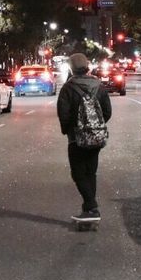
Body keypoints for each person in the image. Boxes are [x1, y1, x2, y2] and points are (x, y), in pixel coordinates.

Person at [56, 53, 113, 220]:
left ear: (72, 67)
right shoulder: (99, 86)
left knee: (78, 173)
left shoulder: (68, 87)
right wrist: (95, 125)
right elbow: (107, 112)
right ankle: (89, 209)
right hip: (96, 137)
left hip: (76, 138)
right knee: (90, 173)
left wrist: (69, 130)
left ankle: (92, 207)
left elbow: (63, 114)